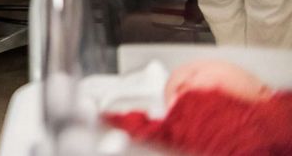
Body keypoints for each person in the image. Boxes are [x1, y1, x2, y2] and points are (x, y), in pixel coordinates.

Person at [104, 59, 292, 155]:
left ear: (263, 91)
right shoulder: (172, 129)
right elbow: (133, 132)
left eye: (194, 74)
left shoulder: (278, 109)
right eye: (174, 92)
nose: (183, 81)